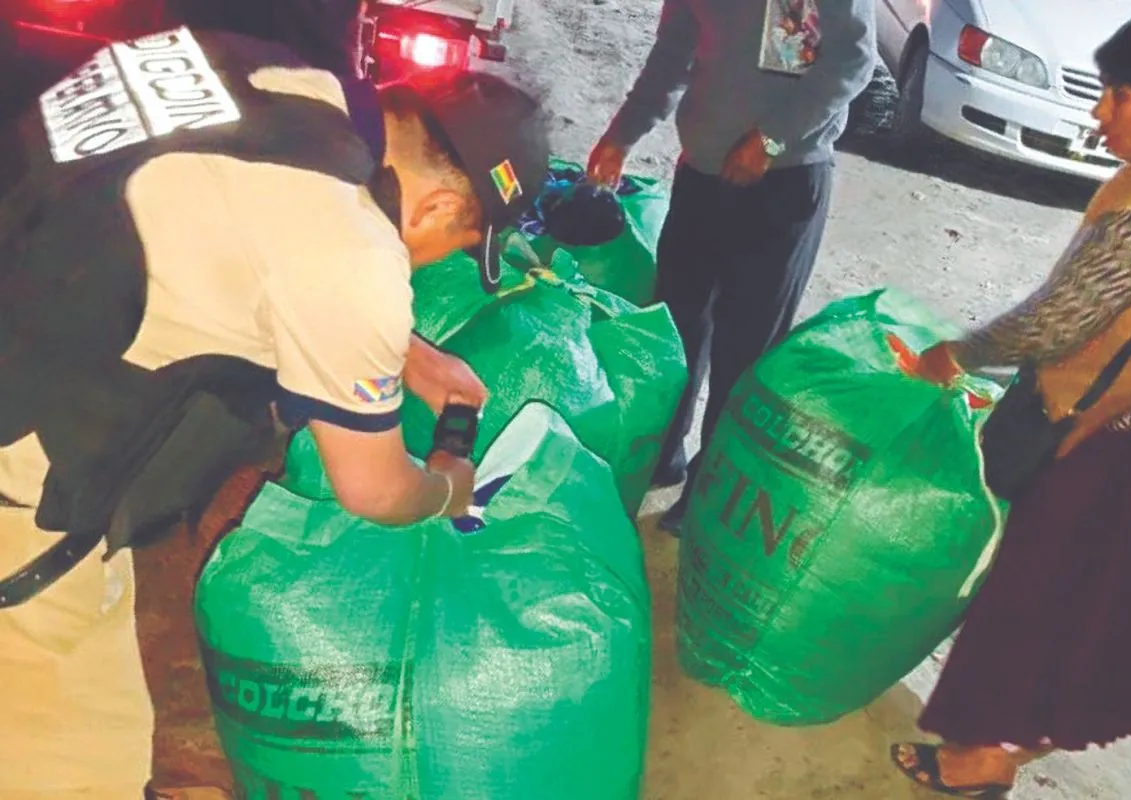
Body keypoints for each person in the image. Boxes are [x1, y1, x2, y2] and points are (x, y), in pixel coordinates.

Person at [0, 26, 549, 799]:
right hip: (23, 481)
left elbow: (221, 216)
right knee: (78, 755)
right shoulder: (352, 252)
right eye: (455, 245)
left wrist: (403, 350)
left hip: (34, 310)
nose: (428, 262)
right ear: (438, 207)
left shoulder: (263, 72)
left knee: (95, 670)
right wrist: (450, 487)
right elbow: (376, 490)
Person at [890, 6, 1131, 797]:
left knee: (1039, 606)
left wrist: (953, 355)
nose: (1100, 113)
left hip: (1123, 439)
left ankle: (983, 758)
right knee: (1102, 614)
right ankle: (999, 750)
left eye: (1120, 94)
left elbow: (1059, 319)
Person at [587, 0, 875, 531]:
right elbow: (673, 53)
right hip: (701, 172)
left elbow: (852, 60)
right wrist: (622, 133)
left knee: (746, 346)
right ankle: (662, 455)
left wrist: (770, 139)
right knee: (678, 322)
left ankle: (710, 487)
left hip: (784, 181)